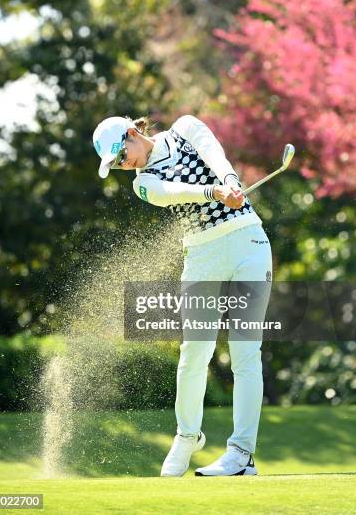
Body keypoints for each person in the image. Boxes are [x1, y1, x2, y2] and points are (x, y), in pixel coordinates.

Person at [92, 114, 273, 477]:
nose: (123, 165)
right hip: (202, 256)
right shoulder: (142, 183)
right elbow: (171, 192)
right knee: (194, 351)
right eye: (116, 164)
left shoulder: (185, 128)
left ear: (132, 134)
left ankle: (241, 454)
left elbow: (213, 152)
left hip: (249, 242)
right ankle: (188, 435)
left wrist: (230, 182)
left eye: (120, 155)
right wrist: (214, 192)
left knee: (245, 352)